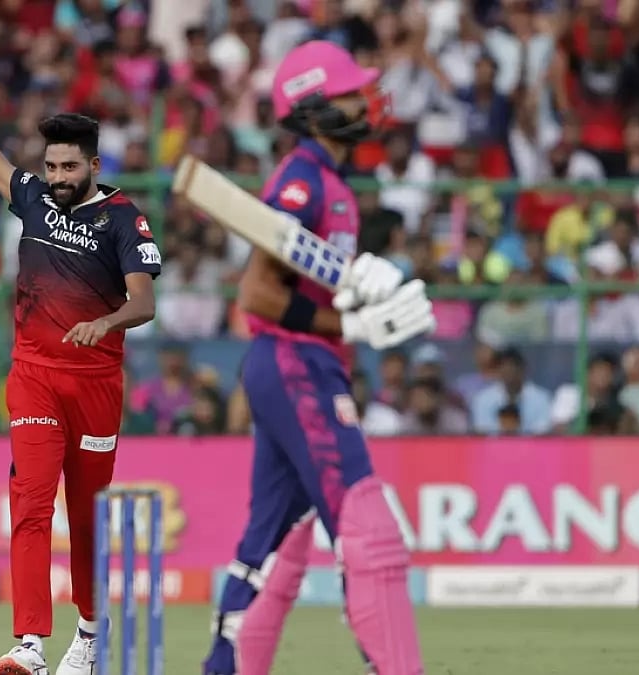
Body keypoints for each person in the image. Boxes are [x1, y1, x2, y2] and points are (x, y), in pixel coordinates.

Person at [0, 11, 162, 675]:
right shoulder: (32, 200)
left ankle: (91, 633)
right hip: (35, 377)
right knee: (31, 501)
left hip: (97, 386)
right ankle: (29, 642)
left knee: (87, 514)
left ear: (94, 166)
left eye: (68, 166)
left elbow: (145, 300)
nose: (55, 175)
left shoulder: (124, 217)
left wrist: (105, 323)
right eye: (49, 164)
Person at [202, 42, 430, 675]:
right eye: (351, 92)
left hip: (299, 363)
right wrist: (349, 320)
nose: (366, 101)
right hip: (296, 362)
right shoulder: (301, 182)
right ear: (314, 109)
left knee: (274, 545)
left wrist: (352, 313)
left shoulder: (331, 181)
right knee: (370, 531)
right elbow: (258, 292)